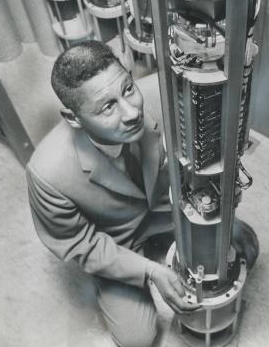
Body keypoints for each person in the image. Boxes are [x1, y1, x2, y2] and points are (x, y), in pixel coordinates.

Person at [26, 41, 199, 347]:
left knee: (243, 246)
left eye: (128, 89)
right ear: (73, 118)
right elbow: (81, 244)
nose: (132, 112)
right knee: (137, 339)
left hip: (166, 211)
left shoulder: (163, 95)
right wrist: (149, 271)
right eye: (108, 107)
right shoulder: (47, 173)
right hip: (119, 242)